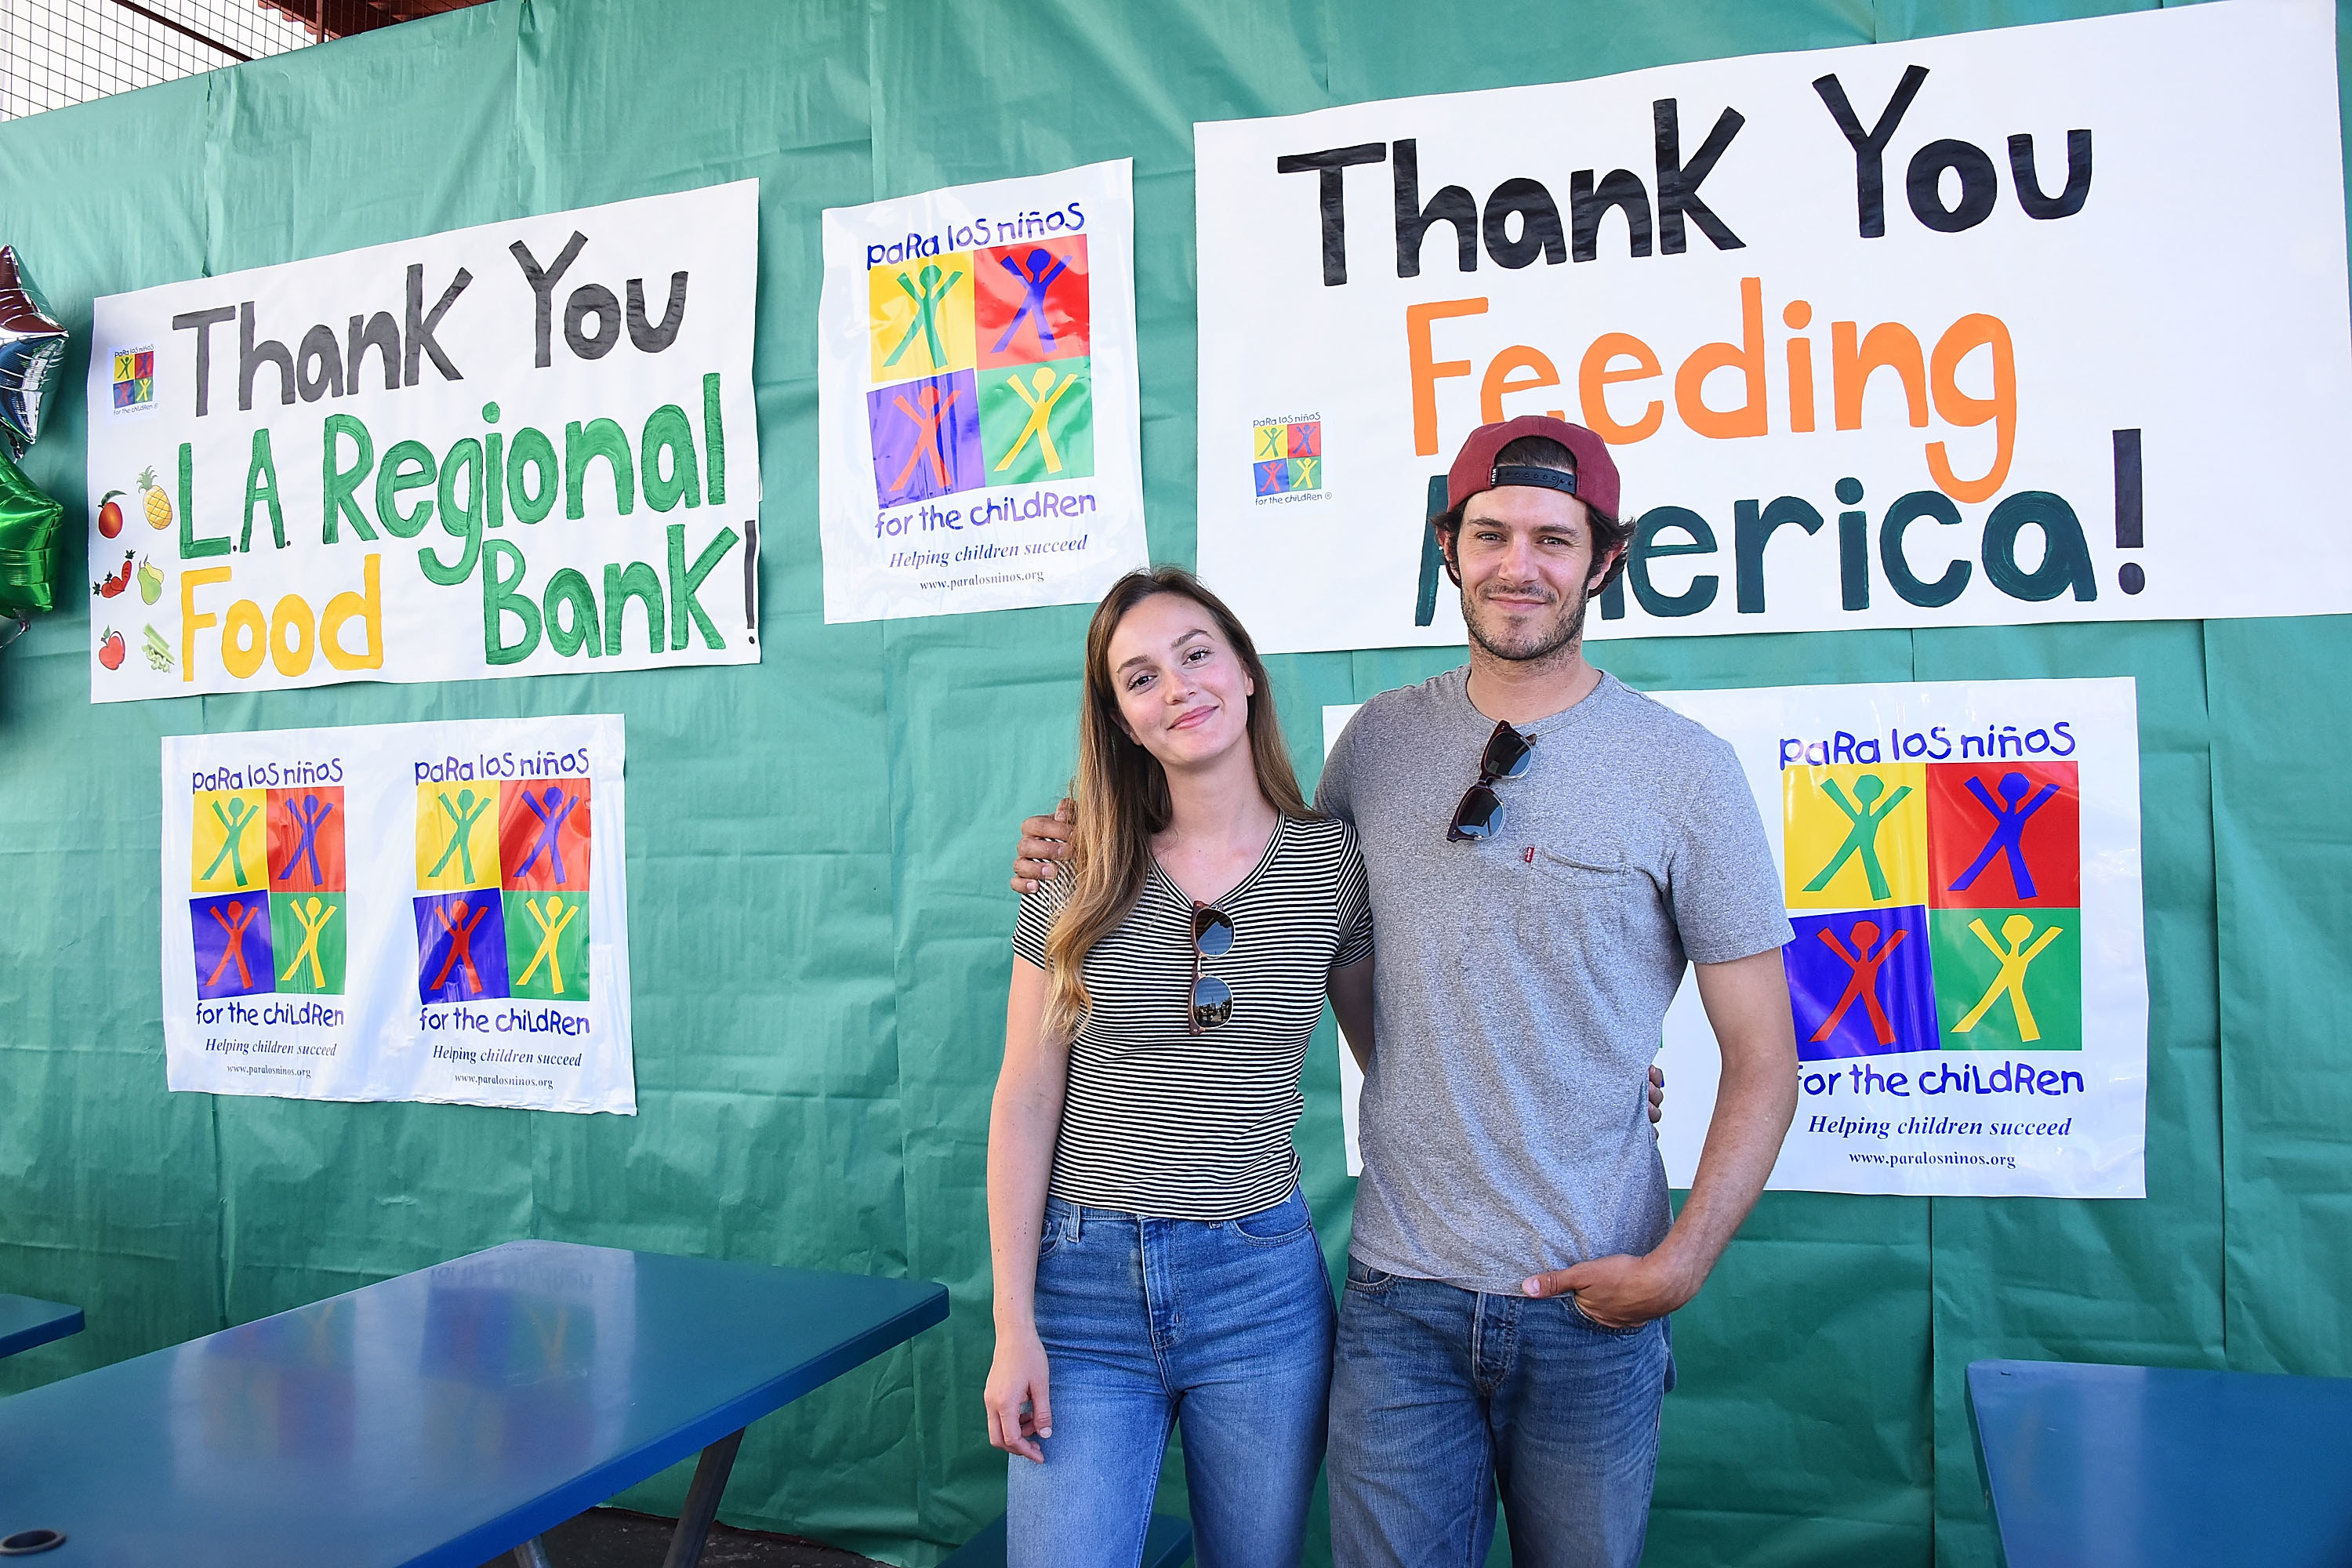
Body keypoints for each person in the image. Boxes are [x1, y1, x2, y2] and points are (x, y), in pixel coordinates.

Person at [1009, 416, 1798, 1567]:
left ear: (1606, 559)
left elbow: (1766, 1059)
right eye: (1490, 533)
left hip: (1592, 1304)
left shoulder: (1687, 770)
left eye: (1552, 538)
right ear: (1449, 547)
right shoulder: (1376, 746)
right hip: (1397, 1301)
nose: (1517, 564)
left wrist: (1680, 1261)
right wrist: (1079, 834)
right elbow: (1313, 927)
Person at [985, 566, 1378, 1568]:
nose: (1179, 687)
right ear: (1121, 718)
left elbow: (1403, 1061)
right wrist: (1013, 1318)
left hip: (1260, 1290)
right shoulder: (1074, 867)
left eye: (1197, 653)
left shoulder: (1336, 867)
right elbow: (1026, 1097)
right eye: (1141, 677)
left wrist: (1596, 1076)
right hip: (1081, 1290)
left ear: (1245, 671)